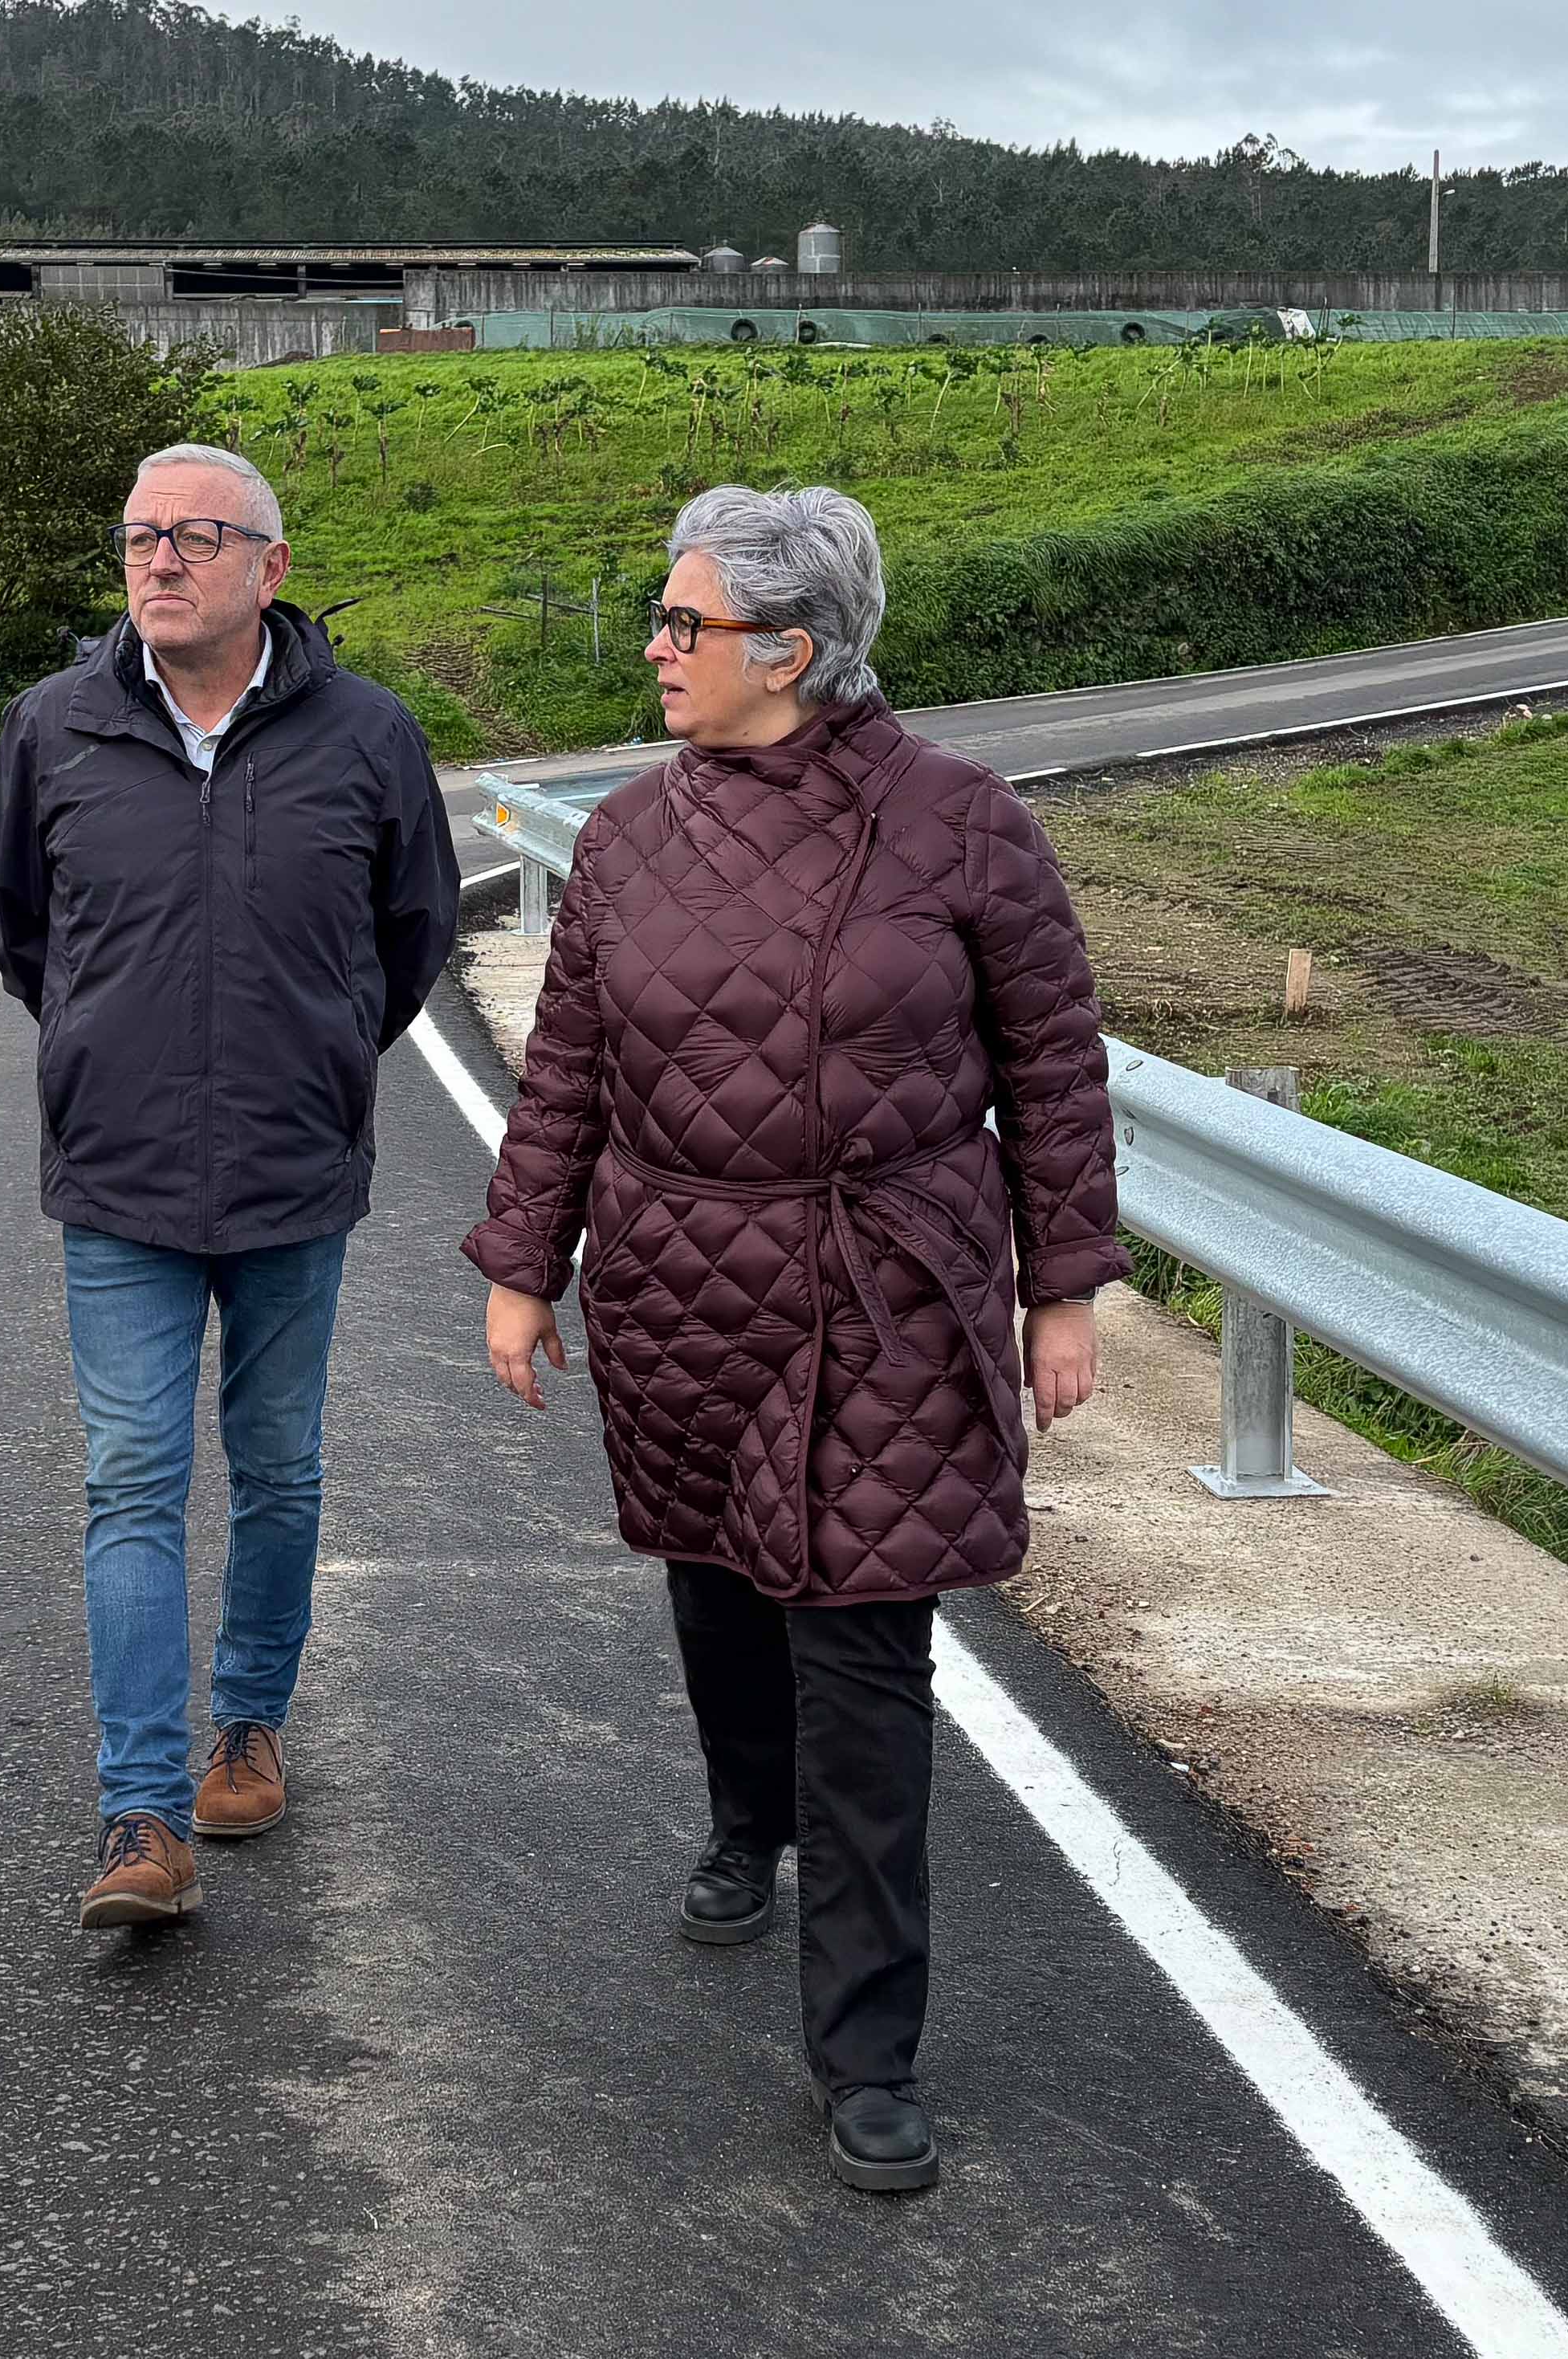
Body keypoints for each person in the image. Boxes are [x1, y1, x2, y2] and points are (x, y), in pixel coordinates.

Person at [464, 485, 1127, 2192]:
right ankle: (742, 1818)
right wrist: (525, 1260)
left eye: (683, 623)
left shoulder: (963, 823)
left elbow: (1052, 1065)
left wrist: (1062, 1284)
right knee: (717, 1586)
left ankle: (867, 2048)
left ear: (795, 650)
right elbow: (567, 1070)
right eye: (664, 618)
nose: (654, 647)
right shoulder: (626, 839)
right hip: (679, 1274)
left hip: (883, 1282)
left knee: (862, 1661)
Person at [0, 442, 459, 1931]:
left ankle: (247, 1723)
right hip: (117, 1173)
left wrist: (316, 1053)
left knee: (277, 1463)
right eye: (140, 535)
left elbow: (409, 937)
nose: (160, 559)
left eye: (195, 535)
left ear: (271, 566)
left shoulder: (367, 736)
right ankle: (139, 1810)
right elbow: (23, 932)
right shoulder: (52, 726)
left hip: (290, 1167)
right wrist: (103, 1047)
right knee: (129, 1477)